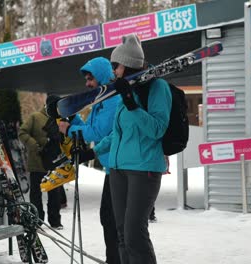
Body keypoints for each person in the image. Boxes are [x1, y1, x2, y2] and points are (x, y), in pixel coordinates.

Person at [76, 34, 172, 264]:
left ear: (126, 65)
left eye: (115, 66)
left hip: (143, 170)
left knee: (134, 234)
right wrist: (93, 152)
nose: (113, 71)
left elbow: (157, 129)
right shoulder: (124, 90)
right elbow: (117, 134)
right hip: (118, 170)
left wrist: (131, 104)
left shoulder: (157, 88)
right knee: (121, 234)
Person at [57, 57, 121, 264]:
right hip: (112, 168)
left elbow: (97, 131)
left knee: (113, 221)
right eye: (86, 79)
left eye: (90, 78)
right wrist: (73, 119)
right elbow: (90, 125)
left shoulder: (113, 100)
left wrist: (70, 130)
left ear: (101, 76)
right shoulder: (101, 101)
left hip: (120, 167)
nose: (87, 83)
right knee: (109, 219)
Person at [19, 96, 63, 229]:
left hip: (54, 162)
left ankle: (55, 221)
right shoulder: (35, 117)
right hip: (37, 162)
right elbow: (22, 132)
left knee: (55, 193)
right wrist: (35, 145)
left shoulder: (60, 119)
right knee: (36, 193)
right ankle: (37, 220)